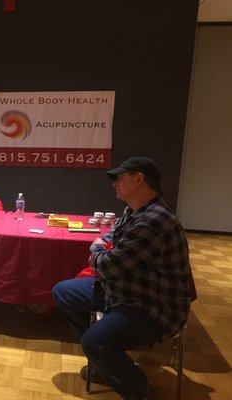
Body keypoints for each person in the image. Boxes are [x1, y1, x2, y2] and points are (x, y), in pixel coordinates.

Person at [52, 157, 192, 400]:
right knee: (64, 292)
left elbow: (108, 264)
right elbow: (110, 237)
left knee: (94, 342)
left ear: (139, 179)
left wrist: (96, 250)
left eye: (120, 178)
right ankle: (104, 363)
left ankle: (141, 392)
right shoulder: (135, 210)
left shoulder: (154, 220)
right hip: (124, 290)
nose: (114, 184)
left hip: (152, 306)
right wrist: (103, 247)